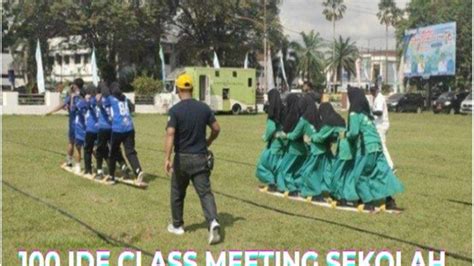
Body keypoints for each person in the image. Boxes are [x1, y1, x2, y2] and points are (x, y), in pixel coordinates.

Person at [164, 73, 221, 245]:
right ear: (192, 89)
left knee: (177, 192)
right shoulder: (204, 108)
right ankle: (213, 222)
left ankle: (177, 225)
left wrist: (167, 158)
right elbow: (217, 128)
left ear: (178, 89)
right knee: (205, 193)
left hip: (182, 158)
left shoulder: (175, 111)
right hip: (200, 157)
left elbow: (170, 133)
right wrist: (208, 141)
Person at [344, 87, 403, 211]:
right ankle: (389, 200)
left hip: (366, 147)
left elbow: (354, 133)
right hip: (377, 145)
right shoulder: (367, 115)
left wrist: (346, 135)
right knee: (381, 174)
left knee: (360, 175)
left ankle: (368, 202)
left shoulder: (355, 113)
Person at [102, 82, 144, 183]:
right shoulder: (124, 98)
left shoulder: (111, 99)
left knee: (113, 153)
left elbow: (103, 103)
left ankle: (111, 176)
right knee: (130, 151)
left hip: (118, 129)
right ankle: (138, 171)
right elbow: (131, 107)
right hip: (129, 127)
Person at [46, 78, 84, 168]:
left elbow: (62, 105)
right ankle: (97, 164)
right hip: (84, 124)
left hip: (74, 123)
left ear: (75, 86)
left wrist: (51, 111)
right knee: (88, 145)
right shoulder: (84, 95)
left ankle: (70, 162)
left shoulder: (72, 96)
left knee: (72, 143)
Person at [95, 82, 129, 179]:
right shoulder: (113, 99)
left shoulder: (103, 99)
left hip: (103, 127)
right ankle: (124, 166)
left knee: (100, 150)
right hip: (113, 127)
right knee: (116, 150)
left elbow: (99, 105)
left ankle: (99, 171)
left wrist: (97, 99)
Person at [276, 93, 307, 196]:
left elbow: (287, 133)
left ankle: (288, 188)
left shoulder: (291, 116)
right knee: (297, 170)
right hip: (303, 148)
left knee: (283, 169)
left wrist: (279, 135)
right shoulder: (302, 115)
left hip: (294, 147)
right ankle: (298, 187)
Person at [255, 89, 285, 192]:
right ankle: (280, 184)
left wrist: (265, 137)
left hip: (274, 145)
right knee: (278, 166)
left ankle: (271, 183)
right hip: (282, 144)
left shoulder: (273, 113)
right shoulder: (284, 111)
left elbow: (271, 128)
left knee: (262, 165)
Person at [370, 86, 394, 170]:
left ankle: (390, 166)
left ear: (376, 90)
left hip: (381, 125)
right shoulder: (377, 98)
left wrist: (371, 112)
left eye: (372, 91)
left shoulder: (379, 98)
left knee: (382, 146)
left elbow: (379, 112)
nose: (371, 93)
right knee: (378, 145)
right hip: (379, 125)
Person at [78, 84, 99, 177]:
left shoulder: (89, 101)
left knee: (87, 149)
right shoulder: (100, 100)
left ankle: (88, 170)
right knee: (101, 149)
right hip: (101, 128)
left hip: (91, 128)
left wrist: (86, 100)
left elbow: (78, 107)